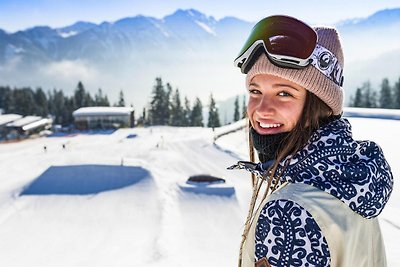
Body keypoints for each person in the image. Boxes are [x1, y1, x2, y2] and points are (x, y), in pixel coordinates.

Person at [228, 15, 393, 267]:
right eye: (255, 91)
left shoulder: (287, 213)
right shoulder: (351, 183)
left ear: (321, 105)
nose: (262, 110)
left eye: (284, 93)